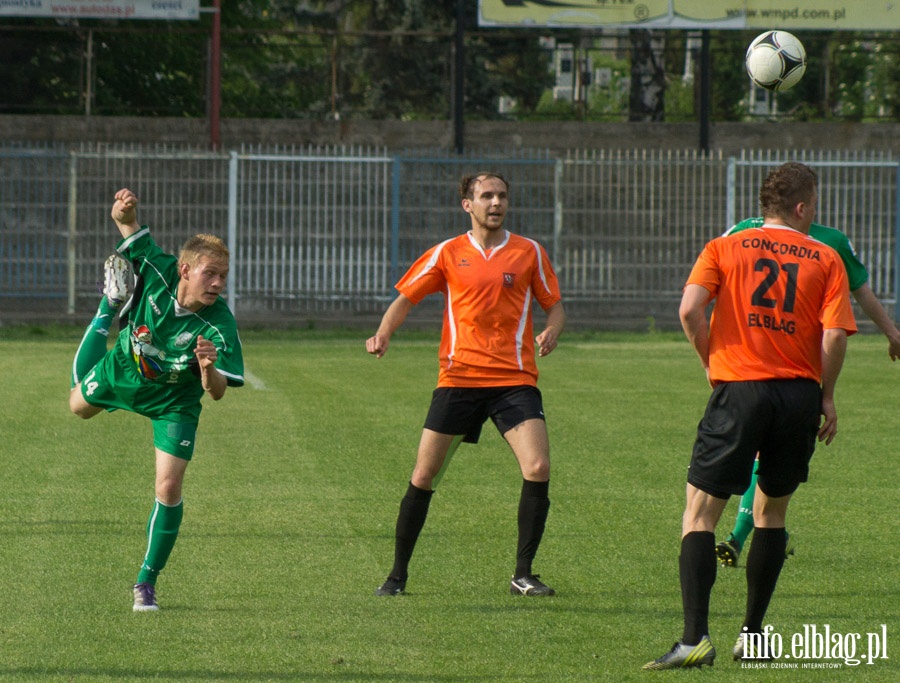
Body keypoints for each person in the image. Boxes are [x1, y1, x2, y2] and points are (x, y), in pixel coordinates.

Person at [643, 162, 857, 670]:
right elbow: (833, 336)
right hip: (798, 397)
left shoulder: (725, 246)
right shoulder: (826, 257)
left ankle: (695, 637)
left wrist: (712, 364)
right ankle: (753, 636)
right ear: (802, 207)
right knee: (771, 514)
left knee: (699, 515)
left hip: (740, 388)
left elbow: (690, 310)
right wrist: (826, 398)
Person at [366, 172, 566, 597]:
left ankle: (523, 574)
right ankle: (397, 576)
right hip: (459, 379)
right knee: (424, 475)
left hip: (514, 380)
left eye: (502, 196)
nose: (495, 202)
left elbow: (556, 307)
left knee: (538, 467)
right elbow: (406, 298)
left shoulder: (529, 252)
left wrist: (553, 331)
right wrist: (384, 333)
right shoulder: (447, 253)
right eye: (486, 196)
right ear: (467, 205)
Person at [69, 188, 244, 612]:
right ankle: (108, 307)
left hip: (176, 401)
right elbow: (127, 225)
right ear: (184, 269)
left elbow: (220, 392)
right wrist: (123, 211)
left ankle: (146, 581)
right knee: (77, 405)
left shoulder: (219, 323)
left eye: (223, 275)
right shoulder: (157, 266)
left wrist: (209, 372)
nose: (218, 282)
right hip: (126, 370)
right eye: (210, 273)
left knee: (168, 487)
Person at [714, 217, 900, 568]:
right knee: (763, 456)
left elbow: (859, 289)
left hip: (781, 365)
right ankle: (766, 534)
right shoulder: (745, 232)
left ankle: (743, 535)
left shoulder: (830, 242)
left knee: (760, 454)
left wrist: (891, 331)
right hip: (763, 369)